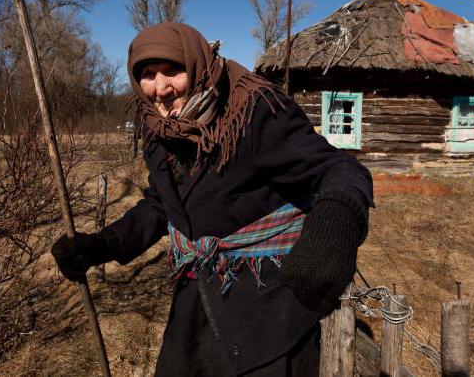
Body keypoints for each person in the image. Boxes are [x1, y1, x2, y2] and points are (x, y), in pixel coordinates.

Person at [51, 22, 373, 376]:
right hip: (199, 294)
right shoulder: (157, 127)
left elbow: (339, 169)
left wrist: (334, 223)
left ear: (197, 65)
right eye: (147, 74)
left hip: (268, 302)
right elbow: (163, 204)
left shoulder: (253, 111)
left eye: (173, 70)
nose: (161, 88)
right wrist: (102, 245)